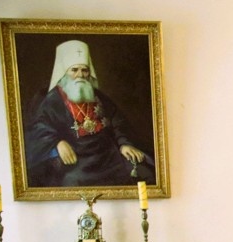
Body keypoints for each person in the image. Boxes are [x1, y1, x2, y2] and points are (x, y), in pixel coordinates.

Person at [24, 39, 156, 188]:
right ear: (64, 73)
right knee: (71, 183)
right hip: (75, 161)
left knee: (144, 172)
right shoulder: (52, 101)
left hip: (108, 156)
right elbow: (38, 131)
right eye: (74, 70)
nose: (80, 75)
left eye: (84, 70)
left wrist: (124, 144)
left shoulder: (97, 96)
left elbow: (118, 122)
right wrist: (57, 144)